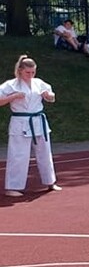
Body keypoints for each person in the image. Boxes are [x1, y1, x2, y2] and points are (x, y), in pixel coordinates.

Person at [1, 56, 59, 197]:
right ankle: (13, 186)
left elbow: (51, 97)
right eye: (28, 72)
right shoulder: (11, 85)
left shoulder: (39, 83)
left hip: (38, 120)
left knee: (45, 153)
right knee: (18, 155)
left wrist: (48, 96)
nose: (31, 75)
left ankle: (50, 182)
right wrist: (13, 97)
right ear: (20, 71)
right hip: (20, 121)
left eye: (33, 72)